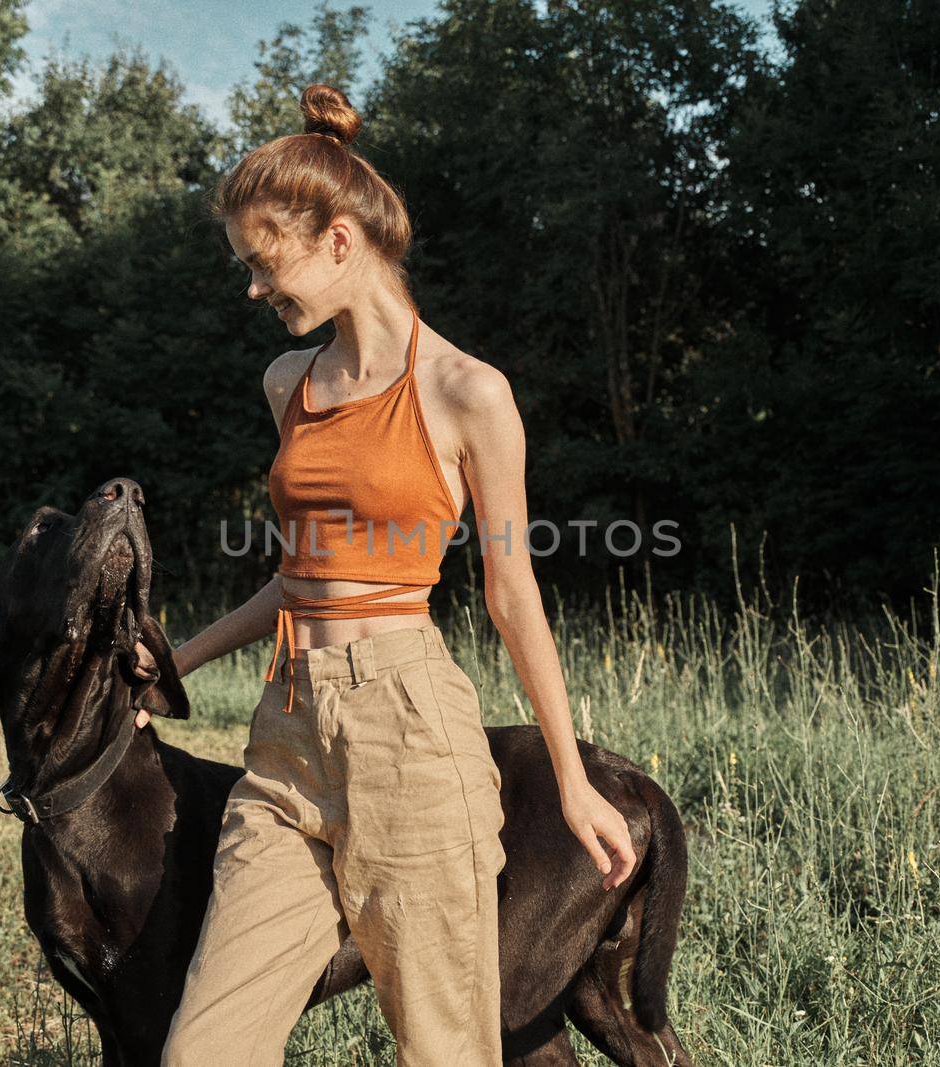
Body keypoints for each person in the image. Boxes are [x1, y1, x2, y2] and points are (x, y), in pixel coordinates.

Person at [131, 82, 636, 1067]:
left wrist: (570, 781)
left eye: (260, 262)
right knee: (202, 1050)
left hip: (410, 739)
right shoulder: (289, 384)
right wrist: (176, 660)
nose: (250, 289)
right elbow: (300, 578)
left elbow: (508, 593)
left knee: (445, 1050)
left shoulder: (466, 392)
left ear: (336, 238)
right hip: (285, 742)